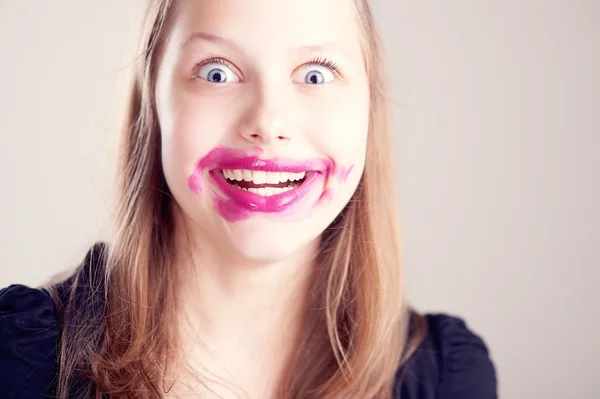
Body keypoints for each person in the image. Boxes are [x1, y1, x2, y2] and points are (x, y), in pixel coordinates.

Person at [0, 0, 497, 398]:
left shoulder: (446, 380)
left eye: (316, 73)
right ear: (152, 103)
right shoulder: (22, 360)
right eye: (216, 72)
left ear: (369, 106)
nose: (268, 121)